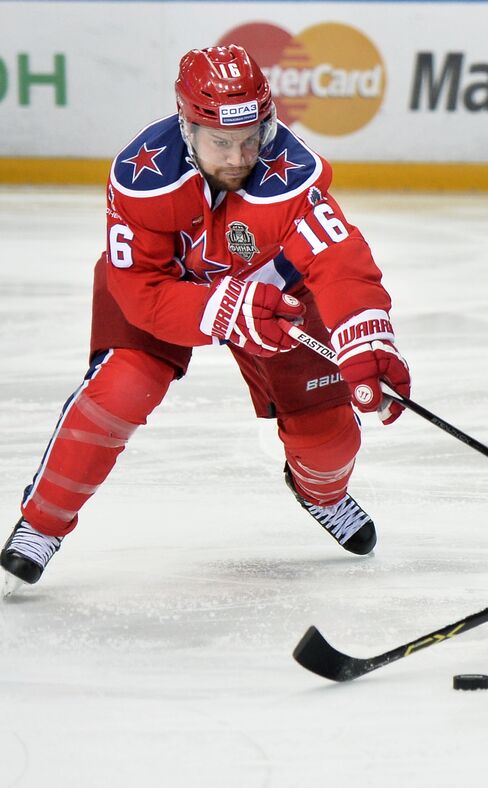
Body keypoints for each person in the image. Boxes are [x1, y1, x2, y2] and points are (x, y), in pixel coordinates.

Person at [0, 45, 412, 592]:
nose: (240, 157)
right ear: (186, 125)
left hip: (272, 292)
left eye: (251, 138)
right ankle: (42, 525)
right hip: (165, 289)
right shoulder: (141, 176)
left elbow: (339, 258)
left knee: (329, 438)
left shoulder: (292, 174)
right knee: (122, 390)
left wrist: (366, 338)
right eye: (221, 142)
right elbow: (141, 289)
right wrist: (219, 308)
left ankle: (322, 493)